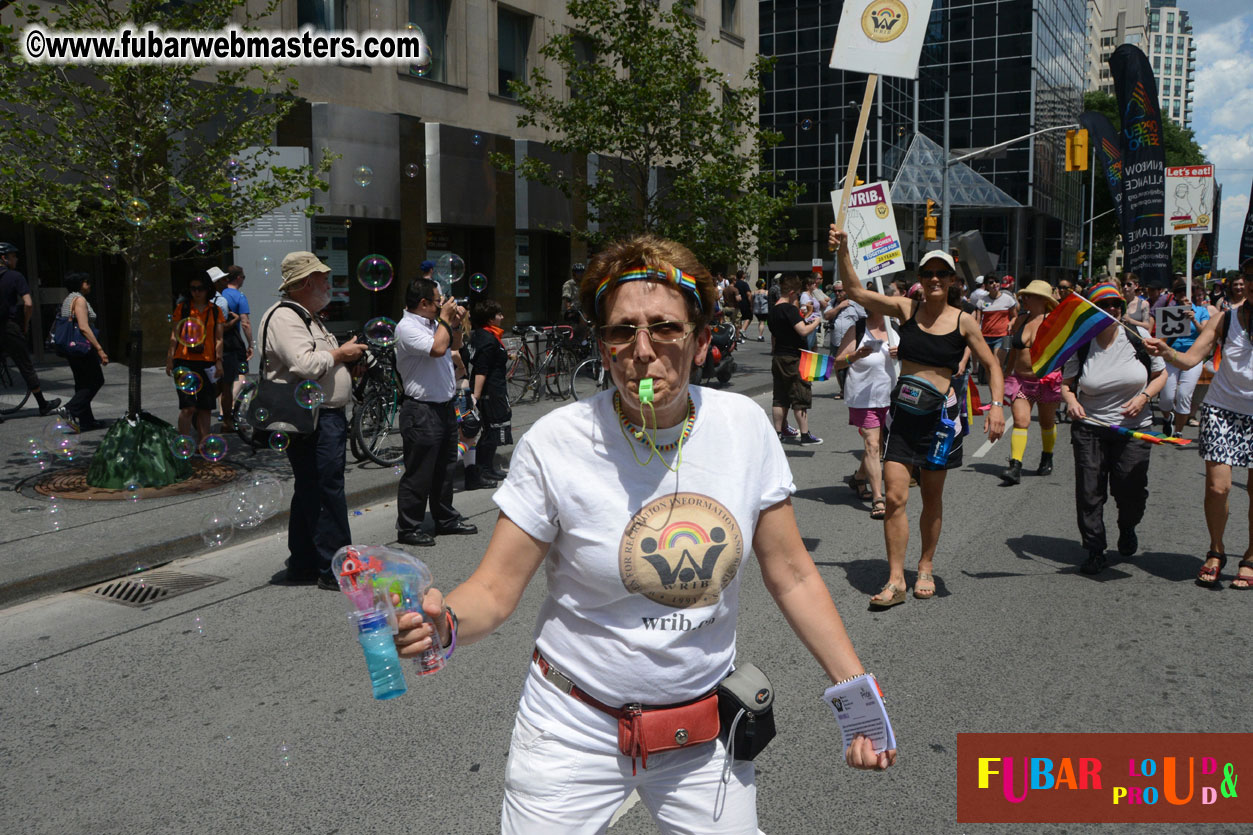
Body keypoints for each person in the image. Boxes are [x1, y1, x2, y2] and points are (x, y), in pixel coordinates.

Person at [392, 234, 895, 833]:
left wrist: (855, 694)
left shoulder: (742, 428)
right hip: (570, 731)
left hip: (703, 736)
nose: (643, 350)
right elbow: (495, 590)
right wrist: (444, 622)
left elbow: (790, 572)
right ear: (602, 346)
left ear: (702, 339)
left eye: (665, 328)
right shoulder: (556, 442)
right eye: (621, 331)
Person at [831, 228, 1005, 607]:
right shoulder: (906, 309)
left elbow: (992, 364)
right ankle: (896, 580)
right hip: (904, 417)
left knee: (931, 497)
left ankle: (925, 565)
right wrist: (844, 250)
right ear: (921, 281)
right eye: (928, 274)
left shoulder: (963, 321)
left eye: (943, 274)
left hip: (941, 423)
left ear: (953, 280)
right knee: (894, 496)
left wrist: (996, 406)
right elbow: (858, 293)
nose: (935, 280)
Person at [259, 251, 366, 588]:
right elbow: (303, 366)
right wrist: (340, 354)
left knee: (312, 488)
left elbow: (319, 363)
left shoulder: (307, 316)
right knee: (325, 489)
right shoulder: (285, 317)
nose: (327, 284)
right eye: (323, 279)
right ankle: (334, 568)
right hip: (312, 419)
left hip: (324, 416)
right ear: (305, 283)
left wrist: (346, 359)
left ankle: (304, 561)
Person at [1145, 265, 1253, 588]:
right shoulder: (1226, 318)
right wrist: (1167, 352)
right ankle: (1216, 550)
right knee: (1217, 488)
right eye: (1250, 278)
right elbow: (1192, 358)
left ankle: (1250, 555)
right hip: (1222, 410)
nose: (1251, 284)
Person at [1061, 281, 1167, 575]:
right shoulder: (1081, 344)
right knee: (1089, 490)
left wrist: (1144, 396)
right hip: (1090, 427)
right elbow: (1067, 386)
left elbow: (1161, 374)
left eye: (1116, 305)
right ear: (1093, 309)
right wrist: (1070, 401)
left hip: (1134, 428)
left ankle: (1127, 525)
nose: (1111, 310)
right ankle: (1095, 549)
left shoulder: (1139, 337)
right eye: (1104, 305)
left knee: (1129, 488)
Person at [394, 277, 477, 547]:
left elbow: (454, 346)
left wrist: (454, 323)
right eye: (438, 302)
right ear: (424, 303)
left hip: (444, 406)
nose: (442, 304)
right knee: (419, 471)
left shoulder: (433, 323)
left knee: (444, 468)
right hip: (421, 409)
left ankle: (445, 518)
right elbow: (437, 348)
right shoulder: (407, 327)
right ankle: (409, 527)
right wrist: (444, 318)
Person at [835, 302, 897, 519]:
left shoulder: (895, 328)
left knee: (878, 446)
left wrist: (904, 353)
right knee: (872, 445)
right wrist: (857, 355)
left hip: (891, 396)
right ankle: (878, 498)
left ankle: (860, 478)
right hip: (863, 397)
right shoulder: (857, 329)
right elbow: (838, 362)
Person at [1000, 280, 1062, 484]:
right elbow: (1012, 351)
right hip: (1021, 380)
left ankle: (1047, 457)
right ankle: (1015, 466)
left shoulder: (1054, 321)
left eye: (1029, 296)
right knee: (1020, 421)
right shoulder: (1020, 320)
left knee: (1046, 422)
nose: (1024, 299)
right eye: (1023, 296)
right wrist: (1004, 375)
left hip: (1046, 380)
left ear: (1043, 300)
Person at [0, 242, 61, 417]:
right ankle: (42, 404)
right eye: (13, 256)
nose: (16, 259)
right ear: (4, 258)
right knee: (25, 365)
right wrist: (25, 324)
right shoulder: (15, 276)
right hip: (10, 327)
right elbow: (28, 303)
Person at [165, 275, 224, 442]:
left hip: (207, 362)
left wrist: (219, 362)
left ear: (208, 289)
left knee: (205, 407)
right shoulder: (183, 308)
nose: (196, 292)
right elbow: (174, 335)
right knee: (188, 407)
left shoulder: (214, 310)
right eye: (193, 288)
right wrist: (170, 358)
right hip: (183, 360)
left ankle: (203, 444)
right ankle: (183, 443)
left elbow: (219, 338)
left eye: (200, 288)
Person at [769, 274, 822, 445]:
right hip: (794, 357)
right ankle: (805, 435)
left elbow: (777, 334)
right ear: (791, 292)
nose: (798, 296)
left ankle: (777, 433)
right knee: (800, 394)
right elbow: (803, 331)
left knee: (779, 397)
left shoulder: (774, 310)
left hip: (779, 356)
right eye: (797, 294)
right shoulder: (790, 309)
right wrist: (816, 322)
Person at [1157, 279, 1211, 436]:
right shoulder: (1168, 310)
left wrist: (1193, 318)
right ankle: (1168, 418)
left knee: (1184, 395)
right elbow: (1162, 336)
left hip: (1192, 357)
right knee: (1166, 397)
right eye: (1179, 292)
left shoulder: (1201, 311)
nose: (1182, 294)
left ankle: (1178, 431)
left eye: (1185, 291)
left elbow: (1205, 334)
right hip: (1173, 356)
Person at [59, 272, 108, 430]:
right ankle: (70, 408)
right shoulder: (79, 300)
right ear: (80, 284)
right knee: (96, 380)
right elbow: (83, 327)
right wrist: (99, 349)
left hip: (72, 348)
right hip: (82, 347)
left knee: (82, 383)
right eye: (87, 282)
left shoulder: (68, 299)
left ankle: (87, 421)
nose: (89, 285)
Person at [470, 299, 512, 482]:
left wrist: (506, 355)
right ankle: (482, 469)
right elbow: (481, 369)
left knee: (492, 430)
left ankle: (488, 467)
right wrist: (476, 396)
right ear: (490, 319)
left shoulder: (485, 335)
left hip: (494, 389)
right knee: (491, 430)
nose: (502, 317)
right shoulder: (487, 338)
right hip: (490, 392)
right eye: (499, 314)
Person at [219, 266, 252, 426]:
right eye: (244, 277)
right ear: (238, 278)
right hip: (233, 342)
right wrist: (250, 343)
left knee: (223, 377)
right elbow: (245, 323)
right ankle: (229, 406)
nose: (244, 280)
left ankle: (222, 409)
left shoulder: (221, 295)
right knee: (240, 374)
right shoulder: (239, 296)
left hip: (218, 341)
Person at [975, 273, 1018, 374]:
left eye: (996, 281)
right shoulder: (982, 301)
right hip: (985, 337)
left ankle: (999, 388)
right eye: (991, 282)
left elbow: (1015, 316)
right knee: (989, 367)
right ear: (986, 286)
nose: (995, 284)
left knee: (996, 364)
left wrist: (1011, 323)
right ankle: (995, 387)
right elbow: (978, 319)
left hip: (1002, 336)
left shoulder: (1008, 299)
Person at [734, 269, 752, 340]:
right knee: (749, 317)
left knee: (740, 318)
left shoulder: (735, 284)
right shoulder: (744, 284)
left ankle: (740, 333)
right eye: (744, 274)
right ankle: (743, 330)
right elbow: (748, 294)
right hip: (745, 303)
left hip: (737, 303)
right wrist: (751, 304)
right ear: (742, 275)